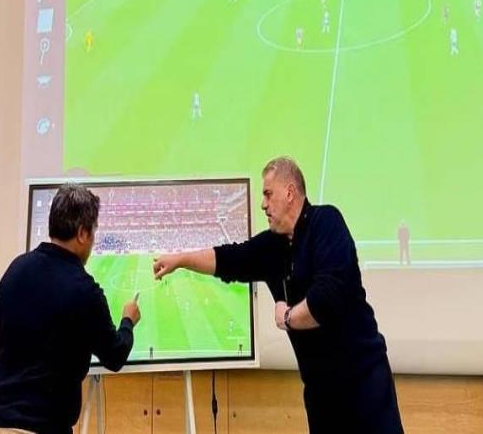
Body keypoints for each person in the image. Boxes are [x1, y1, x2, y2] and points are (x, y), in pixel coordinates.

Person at [153, 157, 403, 433]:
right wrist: (181, 259)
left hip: (363, 384)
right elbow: (229, 259)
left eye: (268, 194)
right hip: (321, 393)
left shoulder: (326, 222)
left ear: (290, 192)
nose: (263, 204)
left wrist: (286, 317)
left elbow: (325, 302)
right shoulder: (273, 245)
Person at [0, 184, 141, 434]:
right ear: (82, 233)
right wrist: (128, 321)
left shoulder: (15, 269)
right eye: (93, 232)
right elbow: (114, 356)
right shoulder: (84, 289)